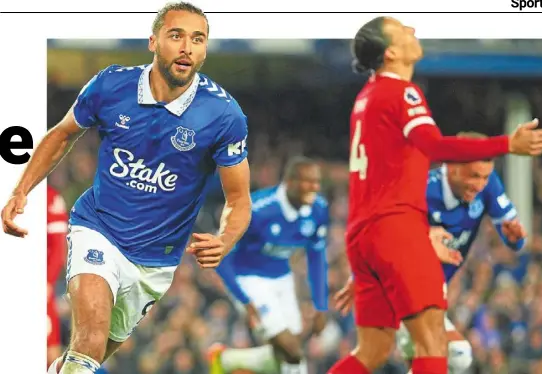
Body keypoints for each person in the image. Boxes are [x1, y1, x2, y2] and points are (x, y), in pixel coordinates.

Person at [1, 3, 253, 374]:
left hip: (155, 262)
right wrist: (21, 189)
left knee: (85, 360)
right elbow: (62, 134)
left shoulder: (223, 115)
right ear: (153, 41)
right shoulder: (111, 85)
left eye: (197, 39)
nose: (187, 47)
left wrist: (226, 238)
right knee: (89, 341)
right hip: (98, 229)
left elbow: (239, 199)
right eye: (176, 35)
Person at [328, 16, 542, 374]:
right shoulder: (401, 91)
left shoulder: (365, 98)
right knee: (433, 342)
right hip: (397, 226)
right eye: (404, 31)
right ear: (390, 53)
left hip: (362, 234)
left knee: (372, 350)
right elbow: (433, 145)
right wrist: (506, 144)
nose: (414, 32)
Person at [335, 131, 528, 374]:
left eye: (485, 177)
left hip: (433, 289)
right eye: (473, 176)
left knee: (387, 355)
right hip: (403, 287)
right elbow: (380, 235)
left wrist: (514, 239)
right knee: (451, 354)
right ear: (452, 166)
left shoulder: (488, 184)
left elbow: (512, 232)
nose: (480, 185)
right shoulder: (417, 190)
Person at [208, 157, 329, 374]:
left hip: (283, 278)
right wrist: (243, 299)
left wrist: (321, 304)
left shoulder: (318, 209)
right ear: (290, 182)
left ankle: (227, 360)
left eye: (316, 182)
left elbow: (316, 257)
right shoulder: (257, 209)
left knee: (290, 352)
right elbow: (218, 254)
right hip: (249, 280)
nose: (314, 188)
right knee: (291, 349)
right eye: (307, 182)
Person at [47, 185, 69, 369]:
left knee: (50, 351)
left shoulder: (51, 198)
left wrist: (47, 282)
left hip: (42, 290)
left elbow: (58, 249)